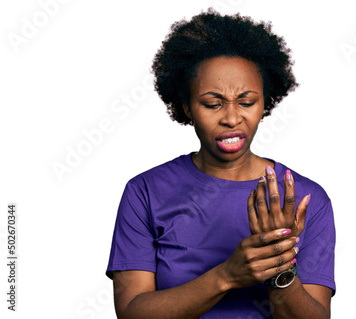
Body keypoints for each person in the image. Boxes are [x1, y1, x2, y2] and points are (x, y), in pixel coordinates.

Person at [106, 8, 336, 318]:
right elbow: (132, 313)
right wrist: (226, 276)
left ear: (265, 102)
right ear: (186, 107)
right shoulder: (145, 192)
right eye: (213, 103)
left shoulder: (306, 199)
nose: (231, 117)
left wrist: (280, 266)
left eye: (247, 101)